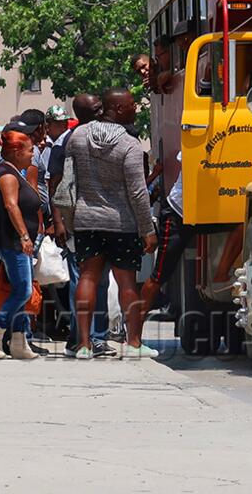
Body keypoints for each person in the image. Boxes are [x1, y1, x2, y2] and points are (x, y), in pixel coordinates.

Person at [64, 88, 157, 359]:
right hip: (122, 222)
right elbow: (138, 192)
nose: (135, 109)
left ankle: (83, 345)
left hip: (85, 219)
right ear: (116, 109)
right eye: (130, 105)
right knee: (127, 282)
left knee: (88, 277)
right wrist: (147, 230)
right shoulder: (129, 144)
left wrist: (67, 219)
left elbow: (68, 181)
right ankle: (134, 343)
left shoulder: (78, 136)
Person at [50, 93, 112, 356]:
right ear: (83, 112)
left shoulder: (106, 137)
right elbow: (55, 184)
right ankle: (79, 337)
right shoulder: (65, 143)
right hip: (76, 221)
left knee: (101, 282)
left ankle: (98, 337)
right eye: (96, 107)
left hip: (103, 221)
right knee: (81, 279)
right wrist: (58, 222)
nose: (101, 111)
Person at [0, 130, 42, 360]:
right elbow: (10, 205)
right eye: (29, 150)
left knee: (19, 289)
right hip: (12, 242)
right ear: (16, 152)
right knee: (23, 290)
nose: (33, 154)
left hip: (14, 241)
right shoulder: (7, 173)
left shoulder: (15, 170)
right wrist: (25, 236)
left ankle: (18, 341)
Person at [140, 152, 193, 320]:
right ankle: (134, 331)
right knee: (160, 274)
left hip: (208, 211)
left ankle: (221, 272)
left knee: (240, 226)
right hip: (179, 211)